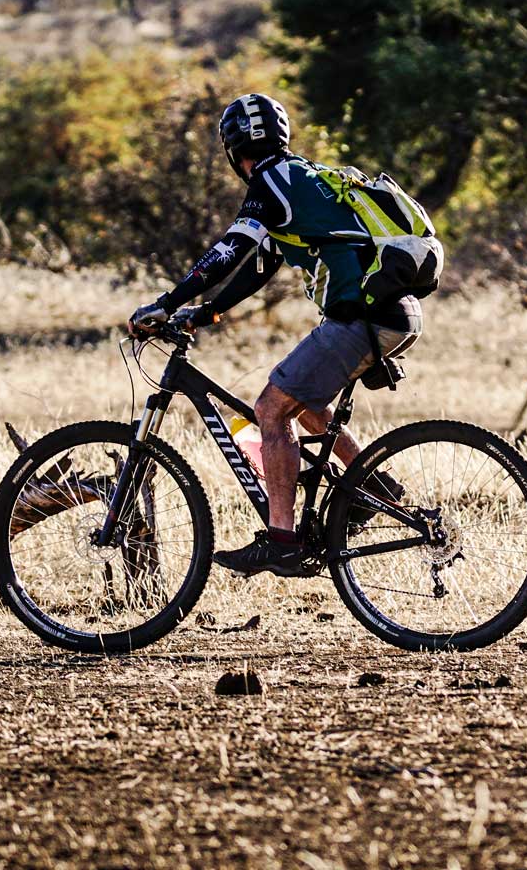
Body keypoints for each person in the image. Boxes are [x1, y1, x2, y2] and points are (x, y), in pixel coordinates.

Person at [128, 93, 420, 577]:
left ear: (231, 149)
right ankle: (375, 486)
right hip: (391, 313)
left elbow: (232, 250)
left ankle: (283, 540)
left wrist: (166, 303)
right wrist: (207, 312)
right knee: (301, 401)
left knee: (270, 407)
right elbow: (260, 265)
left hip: (363, 319)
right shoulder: (300, 178)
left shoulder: (269, 182)